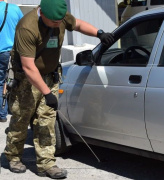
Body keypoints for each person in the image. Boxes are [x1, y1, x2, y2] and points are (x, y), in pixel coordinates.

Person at [4, 0, 114, 179]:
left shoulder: (59, 17)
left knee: (46, 120)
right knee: (21, 120)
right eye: (54, 22)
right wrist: (47, 93)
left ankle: (46, 164)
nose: (58, 25)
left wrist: (99, 33)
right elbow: (28, 66)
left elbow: (77, 24)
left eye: (60, 21)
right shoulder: (27, 27)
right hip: (26, 80)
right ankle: (14, 157)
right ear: (43, 14)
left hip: (50, 75)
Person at [0, 0, 23, 122]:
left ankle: (2, 114)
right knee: (14, 80)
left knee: (0, 82)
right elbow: (24, 27)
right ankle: (15, 111)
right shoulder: (14, 9)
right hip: (12, 52)